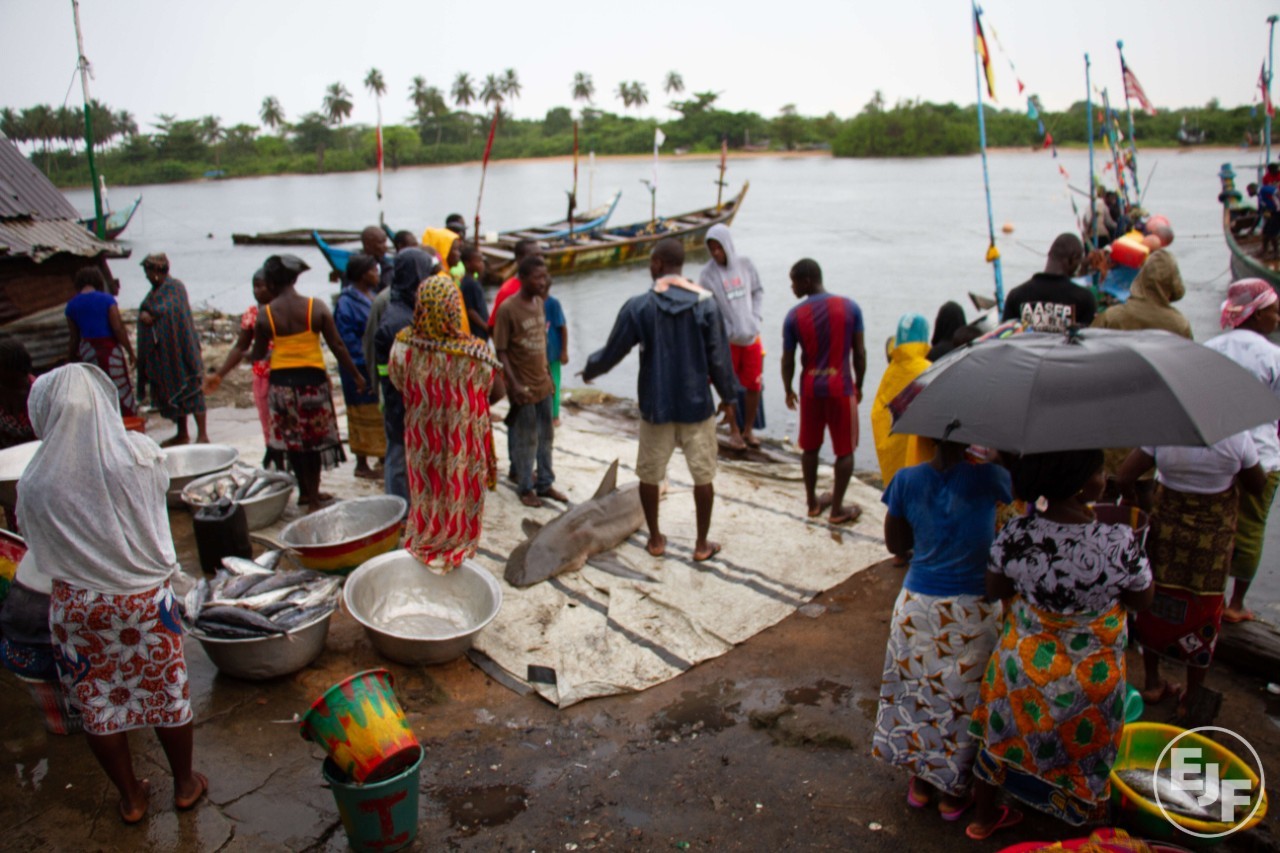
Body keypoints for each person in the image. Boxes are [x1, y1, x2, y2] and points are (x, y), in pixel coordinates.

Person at [20, 363, 207, 824]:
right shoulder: (142, 454)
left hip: (79, 609)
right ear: (104, 404)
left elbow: (34, 542)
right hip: (144, 601)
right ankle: (184, 784)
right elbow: (153, 507)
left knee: (97, 704)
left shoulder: (34, 481)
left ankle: (132, 798)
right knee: (168, 694)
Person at [967, 449, 1153, 840]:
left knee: (1000, 738)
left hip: (1023, 669)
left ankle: (983, 818)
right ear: (1084, 484)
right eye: (1100, 471)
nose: (1104, 478)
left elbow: (995, 588)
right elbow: (1141, 600)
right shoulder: (1117, 540)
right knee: (1086, 753)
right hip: (1091, 677)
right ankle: (1073, 832)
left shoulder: (1018, 533)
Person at [873, 440, 1012, 820]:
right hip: (972, 611)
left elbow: (895, 544)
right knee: (963, 704)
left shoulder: (905, 480)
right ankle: (954, 793)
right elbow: (1014, 517)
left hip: (918, 608)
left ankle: (921, 783)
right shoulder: (993, 478)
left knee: (919, 695)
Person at [582, 238, 740, 562]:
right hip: (697, 407)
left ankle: (655, 539)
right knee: (703, 476)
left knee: (649, 475)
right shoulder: (706, 304)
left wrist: (590, 369)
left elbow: (613, 351)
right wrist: (729, 399)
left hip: (657, 407)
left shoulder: (639, 306)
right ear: (680, 265)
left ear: (656, 265)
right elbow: (720, 361)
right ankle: (700, 544)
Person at [1117, 435, 1264, 721]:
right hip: (1211, 547)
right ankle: (1192, 697)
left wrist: (1133, 499)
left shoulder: (1166, 430)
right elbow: (1257, 486)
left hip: (1166, 537)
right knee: (1203, 613)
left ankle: (1152, 681)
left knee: (1154, 600)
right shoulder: (1237, 438)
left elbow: (1125, 476)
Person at [388, 273, 503, 568]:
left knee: (427, 489)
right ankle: (457, 552)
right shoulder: (476, 353)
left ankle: (426, 543)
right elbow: (495, 391)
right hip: (462, 438)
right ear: (455, 309)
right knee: (459, 491)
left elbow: (399, 381)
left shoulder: (402, 346)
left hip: (422, 435)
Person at [251, 254, 365, 510]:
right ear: (294, 278)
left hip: (281, 384)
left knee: (293, 442)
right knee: (313, 442)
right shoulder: (316, 307)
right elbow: (337, 345)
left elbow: (257, 353)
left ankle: (304, 493)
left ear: (270, 283)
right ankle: (313, 496)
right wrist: (356, 375)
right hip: (312, 383)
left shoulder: (266, 315)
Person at [1203, 279, 1280, 622]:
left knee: (1214, 526)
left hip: (1214, 453)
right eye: (1274, 311)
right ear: (1257, 314)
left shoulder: (1209, 348)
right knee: (1250, 529)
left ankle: (1209, 594)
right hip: (1261, 457)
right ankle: (1236, 605)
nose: (1278, 318)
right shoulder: (1273, 356)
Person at [780, 258, 865, 524]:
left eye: (793, 282)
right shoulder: (850, 308)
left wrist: (787, 388)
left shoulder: (794, 316)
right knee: (845, 451)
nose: (792, 287)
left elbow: (787, 359)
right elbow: (859, 352)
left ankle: (812, 503)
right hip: (841, 388)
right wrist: (859, 384)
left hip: (810, 390)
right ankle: (837, 508)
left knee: (810, 448)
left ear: (806, 281)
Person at [493, 256, 566, 507]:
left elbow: (542, 343)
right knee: (527, 439)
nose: (542, 282)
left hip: (542, 384)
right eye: (537, 277)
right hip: (522, 386)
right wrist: (512, 384)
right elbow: (501, 350)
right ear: (522, 279)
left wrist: (548, 374)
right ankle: (525, 488)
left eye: (544, 276)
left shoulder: (539, 303)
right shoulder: (507, 309)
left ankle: (545, 482)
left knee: (547, 436)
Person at [375, 248, 440, 503]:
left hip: (404, 396)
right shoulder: (398, 320)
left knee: (405, 452)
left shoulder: (406, 307)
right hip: (400, 398)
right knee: (399, 455)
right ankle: (399, 508)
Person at [204, 269, 284, 469]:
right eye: (254, 286)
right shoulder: (253, 314)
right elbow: (241, 347)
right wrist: (219, 374)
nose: (256, 291)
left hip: (285, 374)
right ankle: (274, 456)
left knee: (285, 422)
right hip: (262, 376)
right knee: (266, 419)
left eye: (261, 286)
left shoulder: (284, 310)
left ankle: (284, 457)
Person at [699, 224, 765, 450]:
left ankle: (748, 429)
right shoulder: (707, 274)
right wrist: (723, 329)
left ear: (727, 245)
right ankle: (734, 430)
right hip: (727, 341)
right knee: (728, 386)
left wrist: (756, 318)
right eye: (712, 249)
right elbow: (707, 306)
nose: (716, 253)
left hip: (751, 337)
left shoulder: (746, 265)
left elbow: (758, 291)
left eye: (719, 248)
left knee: (754, 385)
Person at [135, 253, 209, 446]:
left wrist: (151, 314)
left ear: (158, 271)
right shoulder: (154, 293)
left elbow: (170, 309)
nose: (146, 276)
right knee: (175, 393)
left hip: (183, 348)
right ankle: (182, 433)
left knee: (192, 390)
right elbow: (147, 308)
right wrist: (145, 314)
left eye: (148, 272)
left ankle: (202, 434)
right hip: (167, 354)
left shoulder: (175, 288)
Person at [334, 253, 386, 480]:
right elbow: (346, 340)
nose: (378, 275)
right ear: (364, 274)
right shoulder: (346, 303)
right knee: (360, 413)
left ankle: (382, 455)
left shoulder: (370, 296)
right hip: (357, 367)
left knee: (378, 412)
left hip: (373, 365)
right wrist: (359, 368)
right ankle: (361, 463)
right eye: (374, 271)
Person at [66, 266, 137, 416]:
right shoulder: (107, 300)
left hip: (88, 352)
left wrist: (71, 358)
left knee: (96, 391)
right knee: (120, 388)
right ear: (98, 281)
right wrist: (130, 352)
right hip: (110, 350)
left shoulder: (71, 306)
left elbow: (74, 337)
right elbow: (118, 328)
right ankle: (126, 421)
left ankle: (101, 424)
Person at [871, 314, 933, 488]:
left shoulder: (891, 372)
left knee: (898, 494)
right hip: (919, 455)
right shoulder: (928, 370)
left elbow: (879, 412)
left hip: (893, 449)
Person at [362, 230, 422, 385]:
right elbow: (372, 346)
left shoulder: (422, 298)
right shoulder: (385, 302)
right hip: (396, 388)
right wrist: (377, 384)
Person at [1000, 234, 1095, 332]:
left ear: (1049, 254)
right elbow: (1088, 341)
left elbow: (1005, 339)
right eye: (1078, 263)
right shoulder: (1084, 300)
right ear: (1072, 259)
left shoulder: (1016, 296)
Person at [1091, 249, 1192, 338]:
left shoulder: (1111, 316)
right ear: (1173, 284)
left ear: (1141, 277)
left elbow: (1087, 348)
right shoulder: (1180, 325)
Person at [488, 239, 542, 327]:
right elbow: (493, 326)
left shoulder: (540, 286)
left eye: (541, 255)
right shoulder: (508, 291)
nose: (540, 260)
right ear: (520, 258)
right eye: (535, 255)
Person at [545, 279, 568, 427]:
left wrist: (564, 350)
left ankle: (555, 415)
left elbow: (562, 327)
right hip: (537, 355)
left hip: (553, 352)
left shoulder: (553, 303)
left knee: (555, 383)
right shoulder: (531, 302)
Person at [459, 244, 490, 342]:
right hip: (477, 331)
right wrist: (485, 326)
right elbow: (471, 311)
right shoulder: (470, 284)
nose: (482, 264)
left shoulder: (472, 281)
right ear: (468, 264)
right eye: (479, 261)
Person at [349, 225, 393, 291]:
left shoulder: (385, 264)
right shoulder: (356, 268)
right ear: (367, 245)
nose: (386, 247)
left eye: (385, 242)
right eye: (381, 242)